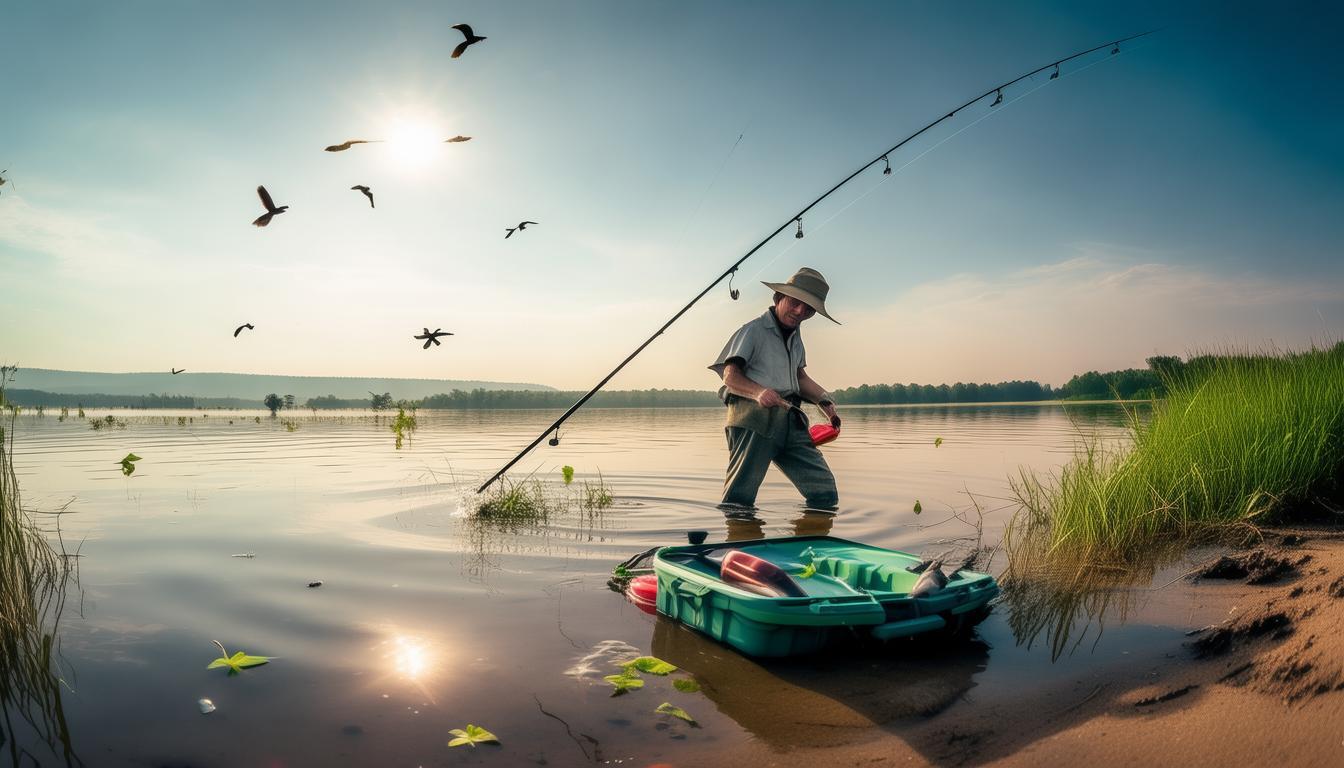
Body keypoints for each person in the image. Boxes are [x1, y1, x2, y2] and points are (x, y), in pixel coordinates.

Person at [709, 267, 841, 512]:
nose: (800, 311)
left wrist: (826, 403)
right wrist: (759, 392)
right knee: (739, 500)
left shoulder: (796, 337)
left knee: (824, 493)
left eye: (809, 309)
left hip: (790, 422)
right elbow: (730, 375)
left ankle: (811, 539)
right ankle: (737, 545)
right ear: (779, 298)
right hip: (753, 420)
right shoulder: (753, 330)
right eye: (795, 302)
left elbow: (799, 378)